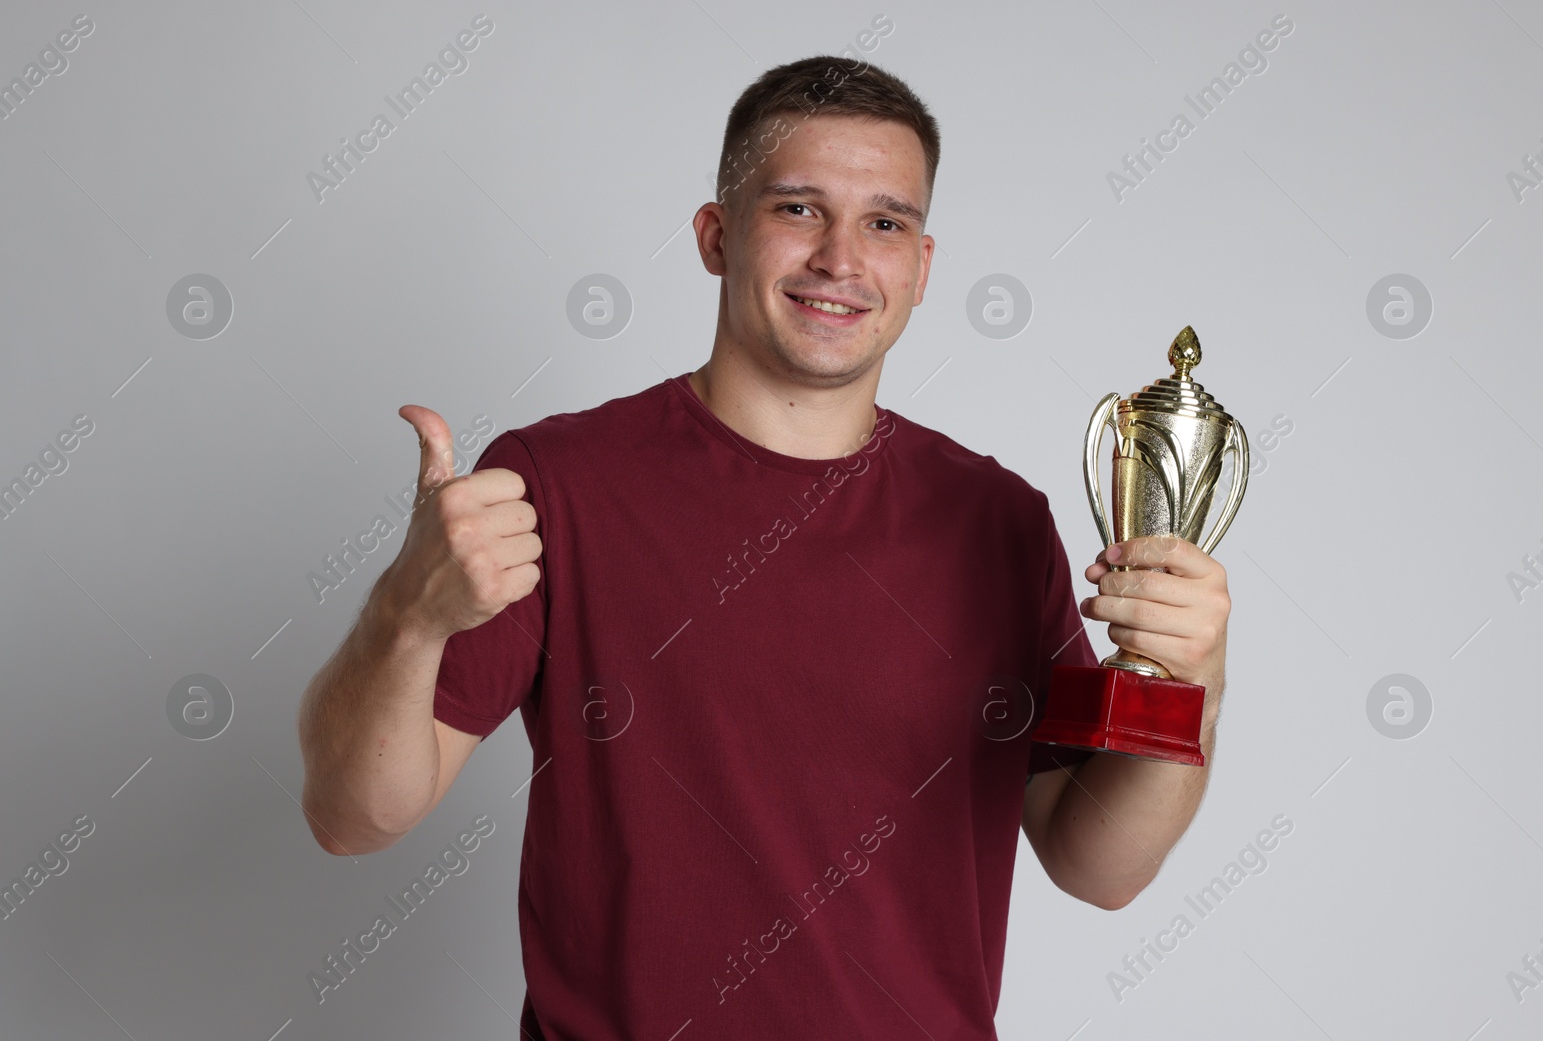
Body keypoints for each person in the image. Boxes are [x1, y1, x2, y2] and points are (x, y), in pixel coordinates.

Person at [297, 54, 1233, 1039]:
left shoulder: (1000, 522)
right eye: (796, 209)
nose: (840, 256)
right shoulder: (556, 481)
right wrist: (405, 616)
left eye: (884, 221)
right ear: (716, 235)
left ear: (920, 267)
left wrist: (1193, 673)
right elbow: (353, 814)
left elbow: (1099, 865)